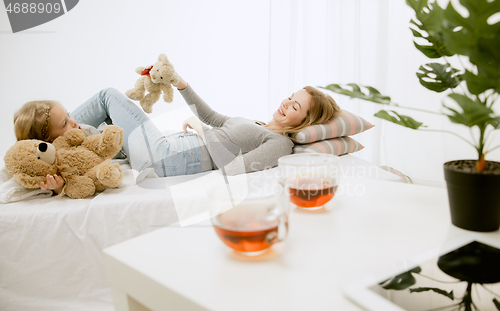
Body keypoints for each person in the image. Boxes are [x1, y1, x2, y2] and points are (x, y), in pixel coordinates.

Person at [12, 74, 341, 194]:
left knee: (106, 97)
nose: (286, 103)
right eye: (290, 96)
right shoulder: (258, 124)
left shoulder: (279, 143)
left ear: (305, 120)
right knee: (98, 132)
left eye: (295, 106)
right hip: (167, 148)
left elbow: (232, 170)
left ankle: (41, 144)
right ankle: (50, 157)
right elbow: (212, 116)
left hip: (167, 157)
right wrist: (181, 84)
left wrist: (203, 132)